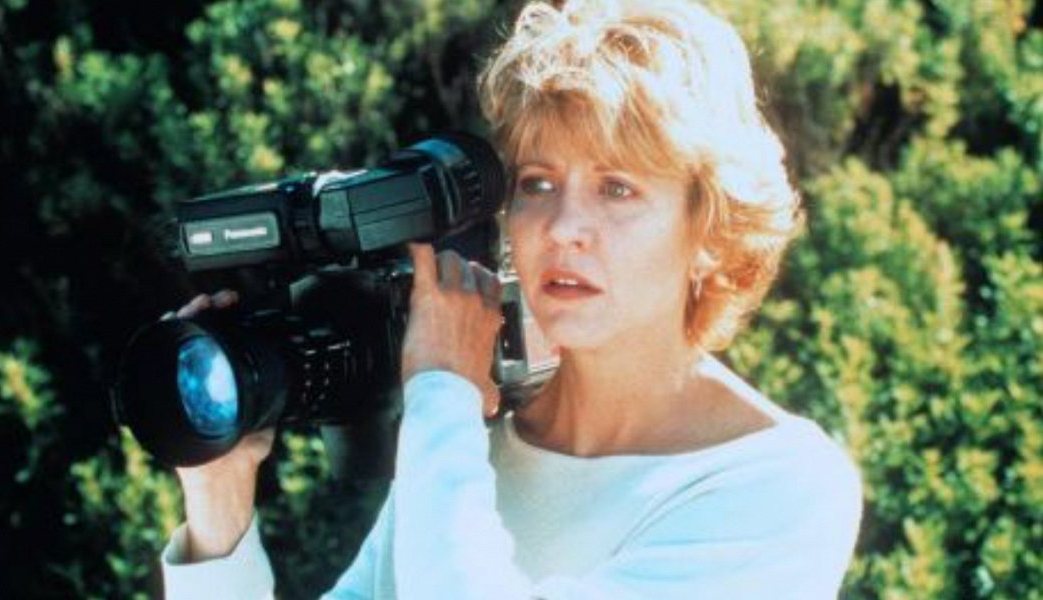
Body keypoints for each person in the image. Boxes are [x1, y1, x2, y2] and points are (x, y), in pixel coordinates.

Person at [160, 0, 863, 598]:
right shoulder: (471, 445)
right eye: (538, 184)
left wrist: (441, 391)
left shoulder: (778, 486)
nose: (563, 228)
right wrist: (218, 500)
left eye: (617, 189)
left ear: (709, 228)